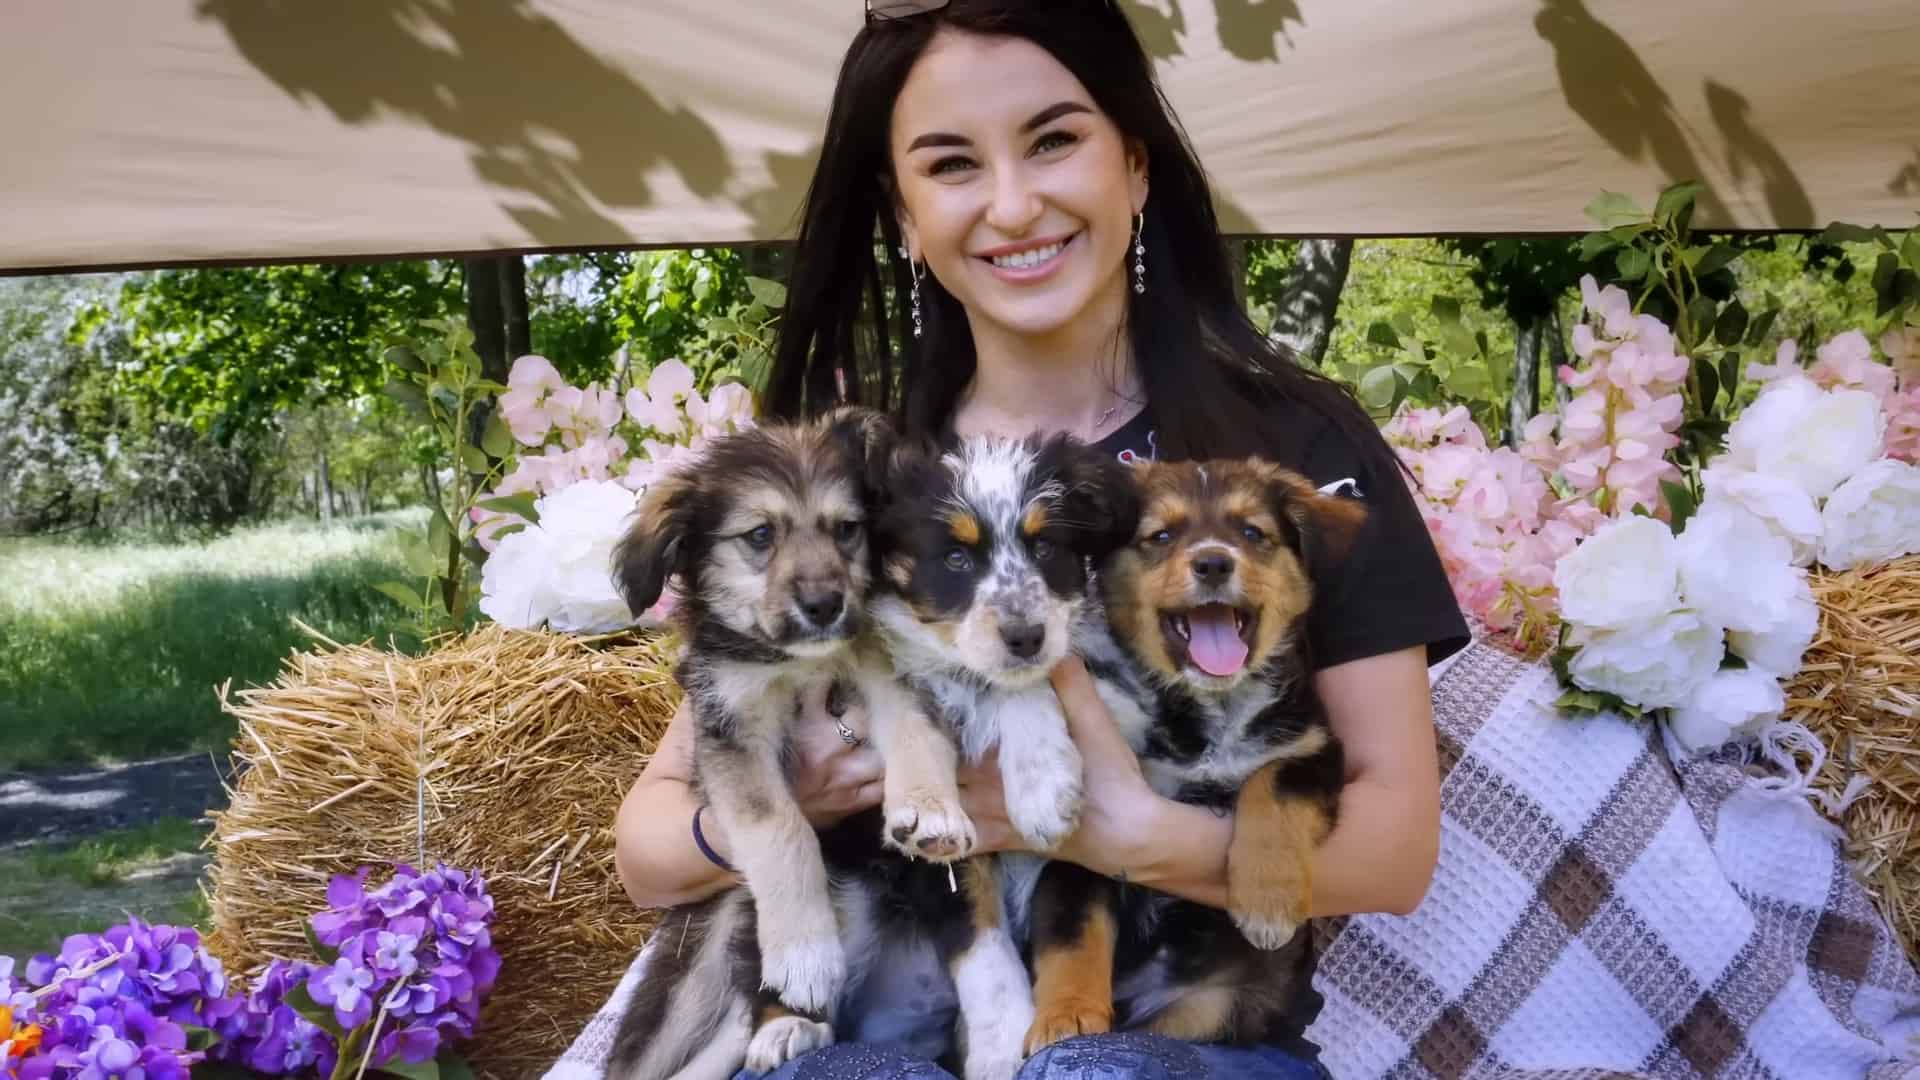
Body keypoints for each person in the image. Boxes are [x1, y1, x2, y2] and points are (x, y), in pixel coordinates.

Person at [612, 2, 1469, 1077]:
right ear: (904, 211)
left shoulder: (1284, 448)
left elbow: (1393, 852)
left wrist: (1122, 834)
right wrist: (804, 803)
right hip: (899, 1011)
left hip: (1173, 1030)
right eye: (953, 164)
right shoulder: (865, 481)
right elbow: (647, 847)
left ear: (1136, 167)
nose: (1014, 205)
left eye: (1055, 140)